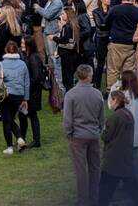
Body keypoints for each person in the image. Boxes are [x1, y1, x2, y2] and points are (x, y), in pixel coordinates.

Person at [63, 64, 104, 206]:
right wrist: (98, 130)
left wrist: (69, 134)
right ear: (89, 75)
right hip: (93, 135)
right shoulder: (97, 94)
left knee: (80, 170)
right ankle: (94, 198)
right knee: (95, 168)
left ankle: (82, 200)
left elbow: (67, 119)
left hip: (78, 137)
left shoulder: (71, 94)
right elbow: (101, 117)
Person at [98, 90, 138, 206]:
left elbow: (106, 137)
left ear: (115, 100)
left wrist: (104, 129)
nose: (109, 102)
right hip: (126, 158)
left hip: (113, 160)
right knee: (133, 188)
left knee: (104, 191)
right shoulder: (129, 114)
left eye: (111, 99)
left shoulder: (115, 117)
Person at [0, 41, 29, 155]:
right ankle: (19, 138)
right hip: (18, 95)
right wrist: (25, 99)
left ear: (6, 50)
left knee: (6, 121)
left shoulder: (1, 64)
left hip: (5, 95)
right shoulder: (23, 64)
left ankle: (9, 146)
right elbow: (26, 83)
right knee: (10, 119)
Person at [104, 0, 138, 88]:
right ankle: (128, 91)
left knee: (113, 69)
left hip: (116, 43)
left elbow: (106, 23)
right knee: (129, 70)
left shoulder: (115, 9)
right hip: (131, 44)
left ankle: (112, 91)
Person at [20, 35, 44, 148]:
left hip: (32, 92)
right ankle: (23, 138)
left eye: (23, 44)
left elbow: (36, 77)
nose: (21, 45)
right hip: (30, 91)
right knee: (25, 115)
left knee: (31, 115)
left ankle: (36, 140)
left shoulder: (33, 58)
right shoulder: (28, 57)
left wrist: (27, 89)